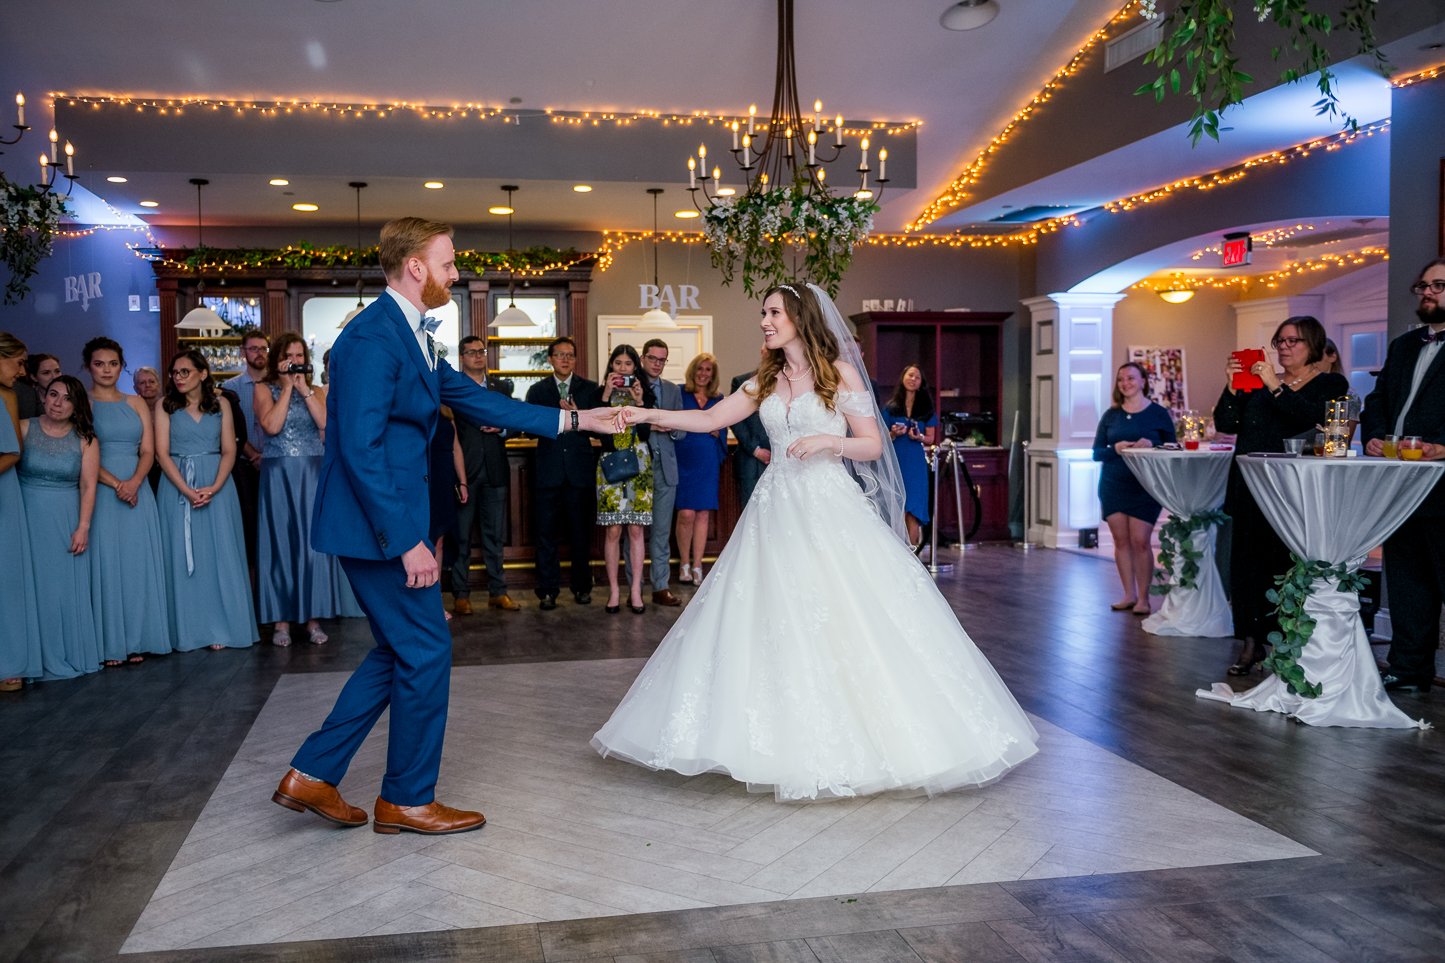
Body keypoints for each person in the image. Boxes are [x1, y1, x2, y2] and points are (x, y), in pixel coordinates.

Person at [592, 282, 1039, 801]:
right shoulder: (766, 378)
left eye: (773, 313)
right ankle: (769, 740)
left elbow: (872, 445)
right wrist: (647, 415)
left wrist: (830, 441)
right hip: (773, 509)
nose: (764, 321)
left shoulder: (838, 373)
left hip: (828, 505)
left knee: (844, 611)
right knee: (767, 615)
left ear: (799, 318)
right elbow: (712, 418)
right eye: (763, 313)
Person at [275, 217, 615, 836]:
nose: (456, 274)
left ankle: (314, 773)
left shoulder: (412, 335)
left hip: (386, 521)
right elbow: (358, 450)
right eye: (449, 263)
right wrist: (407, 540)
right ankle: (406, 799)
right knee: (427, 648)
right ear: (415, 267)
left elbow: (477, 399)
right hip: (377, 527)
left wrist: (577, 420)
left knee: (400, 648)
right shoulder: (373, 338)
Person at [1215, 316, 1348, 676]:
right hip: (1249, 485)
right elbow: (1226, 424)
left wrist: (1274, 385)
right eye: (1281, 341)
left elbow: (1307, 419)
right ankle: (1250, 642)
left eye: (1294, 341)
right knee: (1246, 567)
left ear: (1313, 345)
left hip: (1292, 488)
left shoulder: (1330, 383)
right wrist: (1231, 387)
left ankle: (1286, 642)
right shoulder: (1259, 383)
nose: (1285, 348)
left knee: (1282, 564)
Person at [1361, 258, 1445, 693]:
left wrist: (1444, 448)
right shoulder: (1404, 346)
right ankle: (1409, 669)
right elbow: (1376, 401)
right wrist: (1374, 436)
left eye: (1438, 285)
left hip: (1443, 483)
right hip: (1399, 484)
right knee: (1408, 583)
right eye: (1423, 285)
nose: (1427, 292)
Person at [254, 332, 360, 646]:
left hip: (312, 472)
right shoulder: (264, 389)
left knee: (312, 546)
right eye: (288, 356)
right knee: (280, 544)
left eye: (299, 356)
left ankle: (313, 618)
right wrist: (287, 388)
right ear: (277, 360)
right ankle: (281, 622)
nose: (294, 361)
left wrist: (303, 390)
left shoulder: (315, 390)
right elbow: (272, 426)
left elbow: (325, 423)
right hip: (278, 473)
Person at [154, 349, 259, 653]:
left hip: (218, 484)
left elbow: (230, 450)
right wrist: (187, 490)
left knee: (221, 554)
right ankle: (188, 630)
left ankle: (222, 627)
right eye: (175, 372)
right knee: (182, 557)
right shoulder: (164, 405)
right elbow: (161, 453)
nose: (178, 377)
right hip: (177, 485)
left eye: (185, 371)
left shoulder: (221, 404)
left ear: (202, 373)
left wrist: (214, 486)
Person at [83, 337, 172, 665]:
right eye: (99, 364)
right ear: (88, 367)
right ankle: (111, 644)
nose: (107, 370)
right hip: (101, 492)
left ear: (122, 366)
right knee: (107, 564)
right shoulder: (82, 403)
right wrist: (117, 484)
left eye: (113, 364)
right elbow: (79, 452)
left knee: (137, 565)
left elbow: (148, 451)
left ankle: (139, 639)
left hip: (138, 491)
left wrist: (134, 482)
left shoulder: (136, 403)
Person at [18, 375, 103, 680]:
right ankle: (23, 659)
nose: (58, 403)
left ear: (77, 406)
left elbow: (88, 486)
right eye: (53, 394)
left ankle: (60, 653)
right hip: (24, 516)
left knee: (58, 591)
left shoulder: (86, 439)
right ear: (44, 396)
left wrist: (83, 527)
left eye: (67, 399)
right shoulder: (23, 427)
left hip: (64, 519)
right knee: (25, 587)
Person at [1091, 362, 1176, 616]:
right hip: (1114, 483)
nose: (1125, 383)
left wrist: (1152, 444)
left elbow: (1173, 448)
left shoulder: (1158, 414)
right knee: (1121, 541)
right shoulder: (1111, 415)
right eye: (1121, 380)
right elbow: (1097, 453)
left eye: (1130, 378)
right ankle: (1128, 594)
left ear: (1143, 381)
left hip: (1145, 485)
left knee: (1140, 541)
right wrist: (1115, 449)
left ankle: (1144, 598)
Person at [524, 336, 600, 609]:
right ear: (550, 359)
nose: (565, 360)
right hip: (548, 472)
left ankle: (582, 587)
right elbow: (530, 428)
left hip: (579, 473)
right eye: (560, 355)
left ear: (575, 359)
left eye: (570, 355)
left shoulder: (590, 390)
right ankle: (547, 591)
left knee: (581, 535)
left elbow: (597, 428)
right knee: (546, 535)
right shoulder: (538, 391)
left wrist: (578, 416)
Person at [450, 336, 519, 613]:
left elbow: (516, 420)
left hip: (495, 470)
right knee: (461, 537)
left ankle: (498, 592)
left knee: (495, 537)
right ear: (461, 357)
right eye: (472, 352)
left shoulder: (500, 388)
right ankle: (460, 594)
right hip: (464, 472)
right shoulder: (452, 388)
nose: (478, 356)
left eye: (481, 351)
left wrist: (502, 429)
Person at [597, 344, 654, 614]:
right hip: (610, 462)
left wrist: (640, 402)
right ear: (611, 366)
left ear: (635, 367)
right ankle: (614, 591)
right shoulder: (601, 393)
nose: (622, 368)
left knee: (636, 530)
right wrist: (606, 395)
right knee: (613, 530)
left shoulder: (645, 392)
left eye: (628, 364)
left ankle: (635, 591)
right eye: (618, 363)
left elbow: (646, 433)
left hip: (639, 462)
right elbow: (597, 431)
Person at [0, 332, 43, 690]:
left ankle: (9, 661)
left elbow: (14, 451)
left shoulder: (11, 396)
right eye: (18, 363)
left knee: (7, 577)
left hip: (4, 492)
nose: (22, 371)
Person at [673, 352, 727, 586]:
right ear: (693, 370)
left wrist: (718, 432)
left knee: (703, 513)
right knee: (686, 513)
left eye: (708, 370)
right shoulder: (680, 393)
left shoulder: (718, 398)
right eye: (700, 368)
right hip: (683, 458)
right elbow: (673, 422)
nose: (703, 374)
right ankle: (683, 563)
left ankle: (697, 565)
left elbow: (723, 426)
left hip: (707, 460)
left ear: (713, 375)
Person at [638, 338, 684, 607]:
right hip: (637, 466)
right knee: (634, 531)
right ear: (643, 358)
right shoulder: (632, 385)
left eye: (662, 360)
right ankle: (634, 589)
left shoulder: (672, 390)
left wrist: (672, 426)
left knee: (661, 531)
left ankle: (660, 586)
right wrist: (651, 425)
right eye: (653, 358)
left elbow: (682, 430)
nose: (657, 364)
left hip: (666, 468)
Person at [882, 364, 940, 550]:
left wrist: (919, 436)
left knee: (913, 510)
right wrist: (893, 433)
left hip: (915, 464)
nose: (913, 379)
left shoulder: (926, 409)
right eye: (910, 375)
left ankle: (912, 555)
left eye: (917, 377)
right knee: (897, 508)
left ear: (921, 382)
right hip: (896, 461)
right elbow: (881, 436)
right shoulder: (891, 408)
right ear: (903, 377)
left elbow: (931, 438)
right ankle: (895, 552)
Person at [228, 328, 269, 570]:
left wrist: (268, 456)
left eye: (263, 348)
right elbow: (230, 429)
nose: (259, 353)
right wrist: (253, 455)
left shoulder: (277, 385)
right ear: (243, 352)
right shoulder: (230, 388)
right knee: (249, 525)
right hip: (244, 466)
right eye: (253, 349)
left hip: (276, 463)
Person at [428, 406, 464, 621]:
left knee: (439, 542)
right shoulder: (417, 405)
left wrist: (463, 482)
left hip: (444, 479)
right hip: (423, 478)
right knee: (423, 541)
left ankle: (436, 601)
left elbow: (455, 448)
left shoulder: (447, 410)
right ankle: (418, 603)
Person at [730, 359, 771, 508]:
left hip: (782, 459)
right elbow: (734, 418)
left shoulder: (790, 383)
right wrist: (756, 450)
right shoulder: (742, 382)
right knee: (751, 509)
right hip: (751, 461)